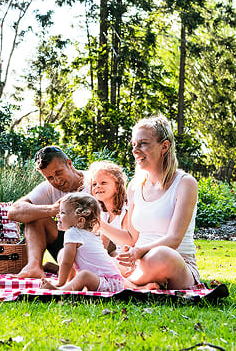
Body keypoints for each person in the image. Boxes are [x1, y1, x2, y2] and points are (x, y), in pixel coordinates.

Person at [100, 115, 201, 290]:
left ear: (164, 146)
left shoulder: (185, 183)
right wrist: (98, 223)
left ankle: (125, 283)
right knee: (91, 259)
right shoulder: (134, 186)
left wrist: (139, 251)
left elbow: (174, 240)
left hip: (173, 263)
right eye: (134, 144)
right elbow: (131, 238)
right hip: (138, 264)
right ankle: (140, 286)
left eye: (143, 143)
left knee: (162, 254)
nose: (135, 150)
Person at [8, 146, 86, 278]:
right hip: (66, 249)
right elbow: (13, 212)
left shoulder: (96, 182)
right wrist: (52, 209)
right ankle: (34, 267)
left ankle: (61, 269)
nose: (57, 181)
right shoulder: (49, 188)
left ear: (69, 163)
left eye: (59, 172)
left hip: (96, 248)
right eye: (50, 177)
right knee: (35, 216)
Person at [40, 193, 123, 292]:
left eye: (62, 212)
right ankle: (69, 284)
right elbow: (68, 260)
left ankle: (61, 290)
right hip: (115, 282)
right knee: (63, 253)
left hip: (109, 282)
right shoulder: (87, 234)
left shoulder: (73, 232)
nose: (58, 215)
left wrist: (59, 283)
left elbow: (67, 262)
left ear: (80, 221)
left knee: (84, 275)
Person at [86, 161, 129, 256]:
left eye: (103, 183)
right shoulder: (105, 214)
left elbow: (129, 243)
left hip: (130, 256)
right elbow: (102, 246)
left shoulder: (126, 210)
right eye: (94, 184)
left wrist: (100, 224)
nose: (98, 186)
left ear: (117, 187)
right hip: (119, 255)